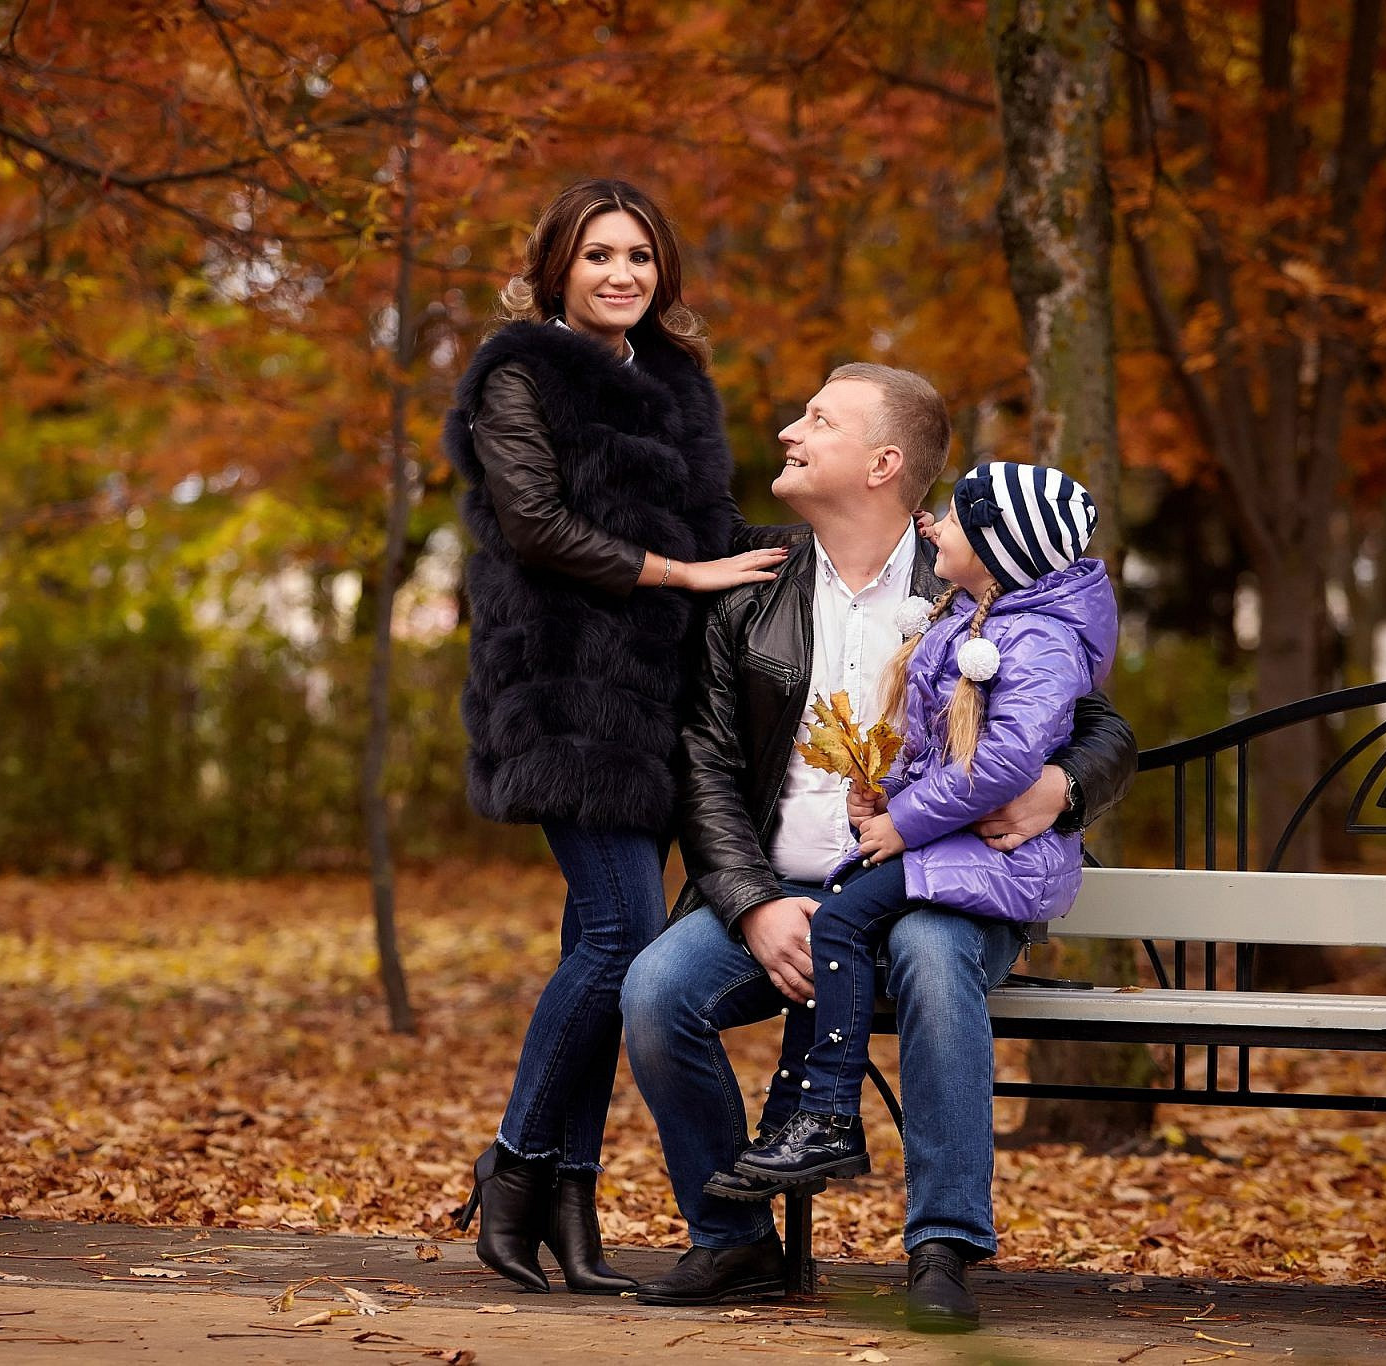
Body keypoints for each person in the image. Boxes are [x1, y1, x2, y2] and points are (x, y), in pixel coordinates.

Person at [619, 364, 1136, 1329]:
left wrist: (1064, 789)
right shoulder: (754, 586)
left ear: (883, 463)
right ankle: (734, 1244)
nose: (787, 429)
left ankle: (942, 1247)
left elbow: (1096, 724)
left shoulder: (970, 575)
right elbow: (706, 762)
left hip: (934, 887)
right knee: (653, 994)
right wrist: (750, 899)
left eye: (818, 418)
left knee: (936, 964)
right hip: (780, 885)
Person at [444, 177, 789, 1296]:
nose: (620, 274)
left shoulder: (679, 382)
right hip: (562, 691)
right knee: (620, 942)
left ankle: (566, 1194)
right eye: (598, 255)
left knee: (592, 944)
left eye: (638, 255)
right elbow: (535, 525)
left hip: (657, 701)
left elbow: (714, 528)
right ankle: (514, 1165)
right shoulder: (518, 372)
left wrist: (833, 543)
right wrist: (680, 573)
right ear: (558, 266)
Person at [734, 462, 1116, 1198]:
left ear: (1000, 550)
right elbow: (937, 745)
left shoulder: (1031, 641)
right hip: (944, 853)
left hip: (984, 865)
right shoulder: (964, 617)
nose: (935, 524)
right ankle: (810, 1119)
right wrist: (883, 798)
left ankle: (827, 1120)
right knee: (842, 920)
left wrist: (904, 824)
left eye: (956, 517)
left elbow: (1001, 761)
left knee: (847, 923)